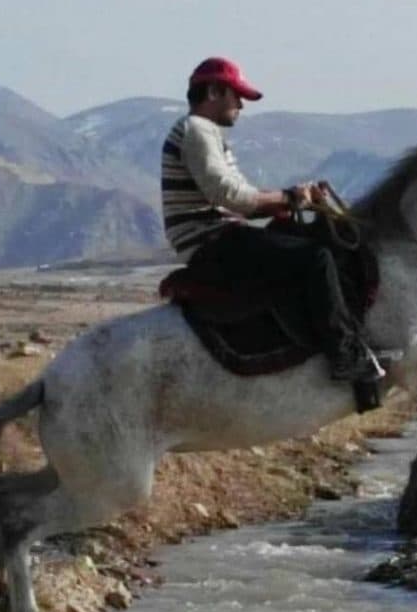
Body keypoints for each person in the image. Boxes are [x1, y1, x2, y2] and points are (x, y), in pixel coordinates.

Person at [161, 56, 382, 385]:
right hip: (212, 242)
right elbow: (231, 196)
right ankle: (344, 354)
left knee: (311, 243)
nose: (240, 104)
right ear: (212, 92)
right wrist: (290, 197)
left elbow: (245, 200)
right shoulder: (197, 130)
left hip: (221, 236)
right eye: (236, 95)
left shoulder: (205, 133)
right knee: (316, 259)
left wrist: (293, 199)